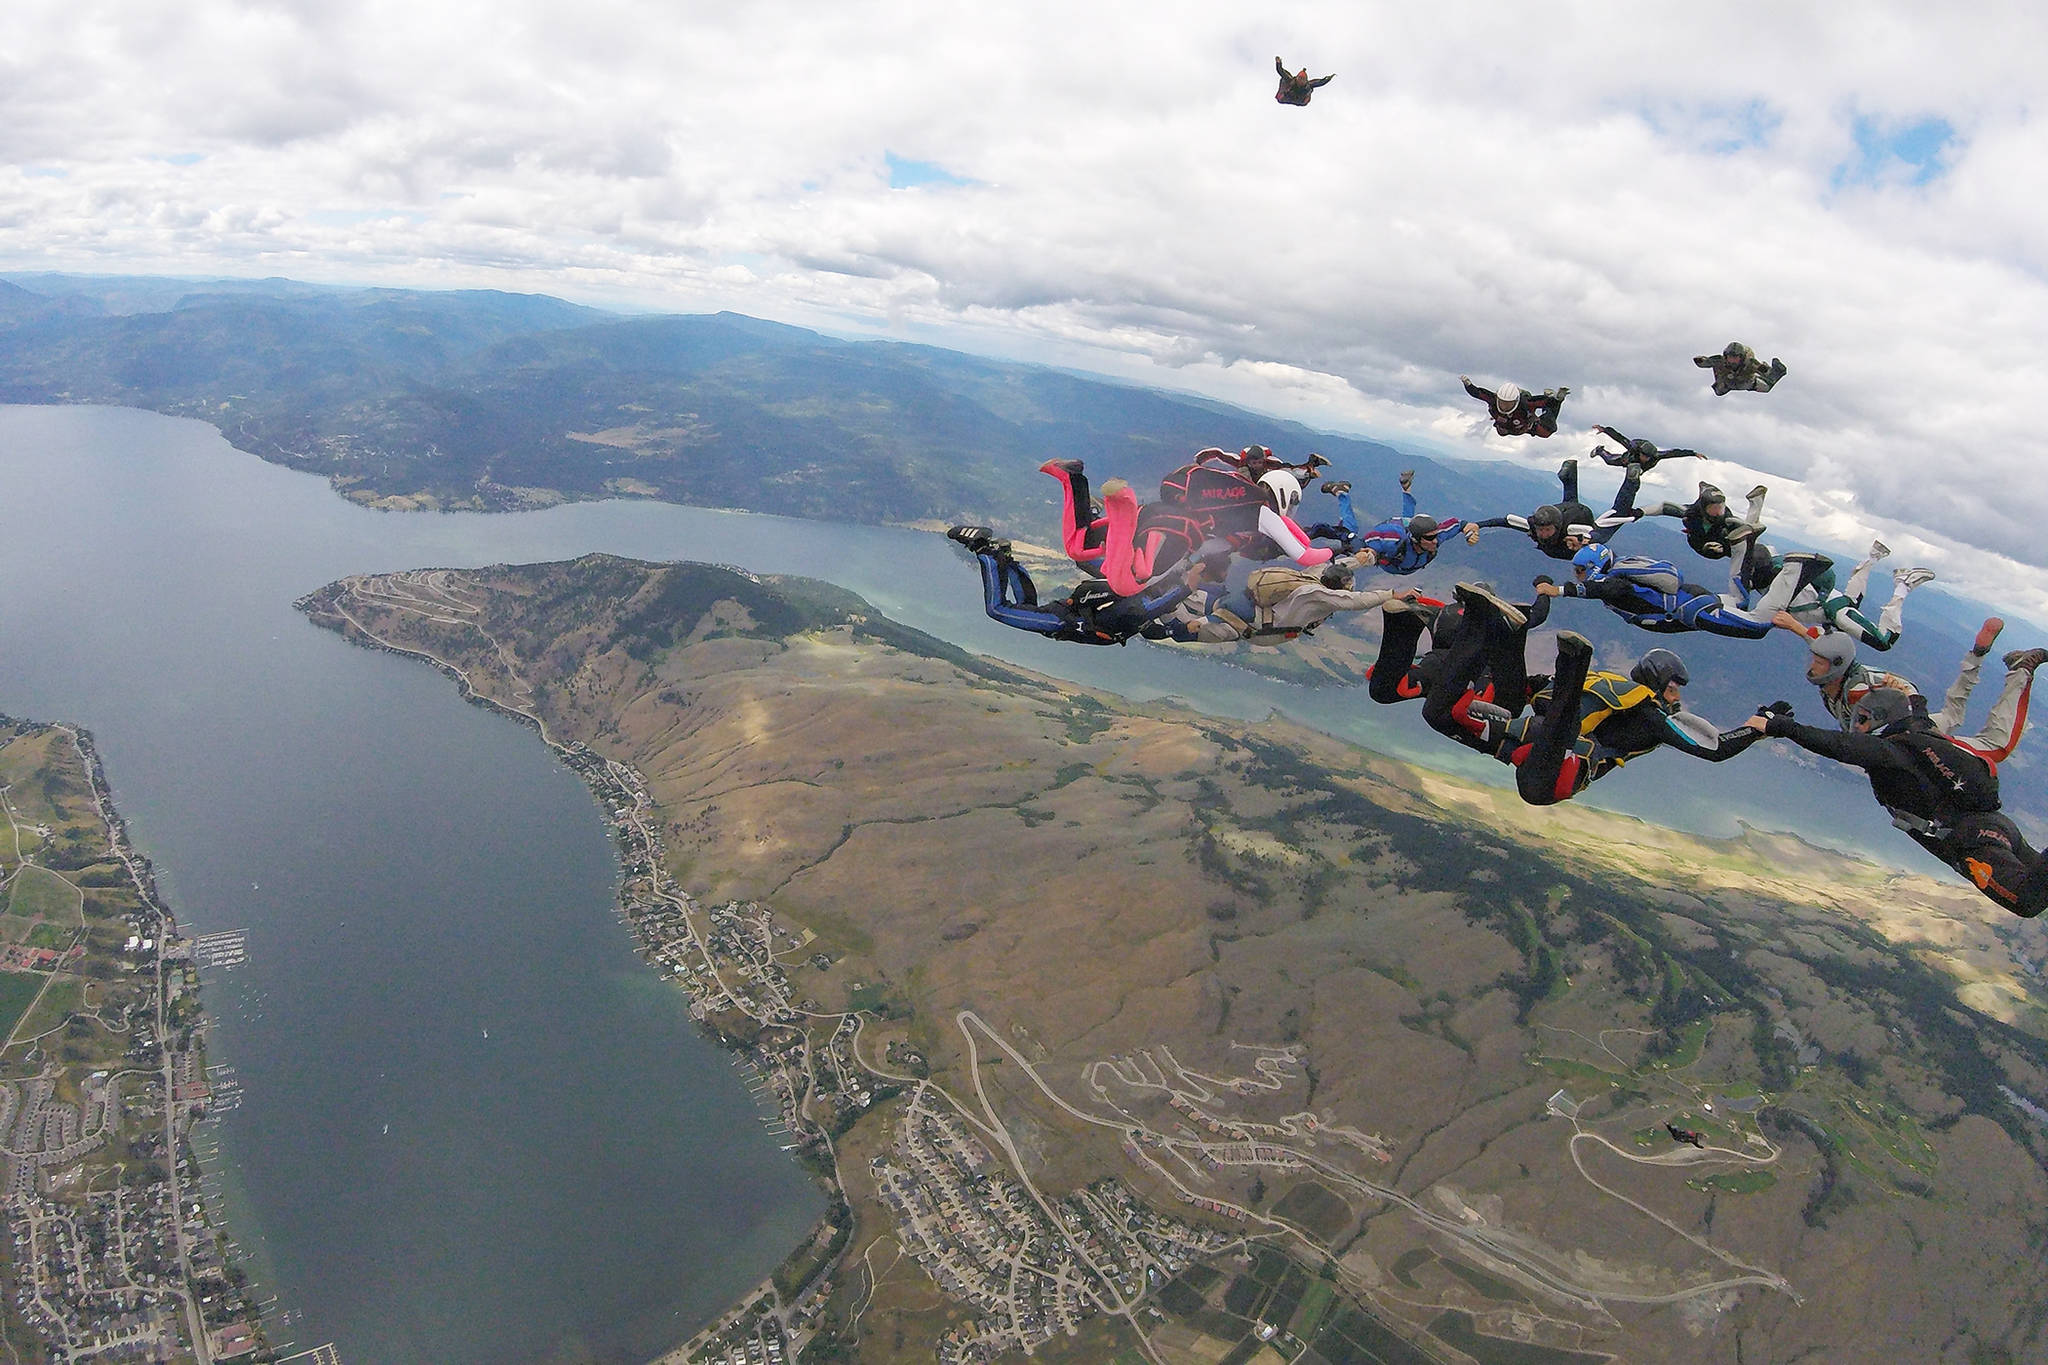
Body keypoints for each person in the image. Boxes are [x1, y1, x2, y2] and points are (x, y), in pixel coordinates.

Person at [1396, 587, 1762, 804]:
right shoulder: (1652, 715)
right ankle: (1571, 659)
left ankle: (1499, 631)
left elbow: (1526, 686)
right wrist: (1759, 727)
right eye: (1673, 686)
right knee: (1554, 739)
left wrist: (1491, 660)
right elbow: (1714, 749)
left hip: (1524, 745)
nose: (1676, 695)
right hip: (1555, 773)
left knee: (1438, 714)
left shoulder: (1602, 684)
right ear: (1659, 682)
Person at [1745, 690, 2048, 917]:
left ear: (1881, 721)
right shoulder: (1919, 733)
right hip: (1997, 826)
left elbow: (1839, 746)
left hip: (1972, 840)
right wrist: (1914, 700)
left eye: (1862, 719)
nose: (1855, 726)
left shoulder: (1890, 751)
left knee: (2025, 900)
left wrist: (1781, 727)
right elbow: (1918, 711)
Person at [1040, 457, 1332, 598]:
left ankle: (1072, 478)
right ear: (1285, 495)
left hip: (1154, 514)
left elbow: (1295, 531)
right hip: (1176, 536)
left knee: (1078, 546)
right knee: (1126, 583)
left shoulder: (1234, 492)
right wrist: (1335, 550)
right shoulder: (1261, 513)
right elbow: (1303, 555)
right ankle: (1121, 503)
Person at [1806, 622, 2042, 763]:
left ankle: (2021, 671)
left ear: (1836, 663)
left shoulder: (1856, 691)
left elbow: (1901, 696)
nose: (1811, 666)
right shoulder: (1834, 684)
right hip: (1909, 725)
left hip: (1913, 737)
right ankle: (1976, 655)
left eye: (1818, 661)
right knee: (1951, 716)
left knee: (1996, 746)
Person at [947, 526, 1203, 645]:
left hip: (1066, 619)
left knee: (1025, 606)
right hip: (1063, 621)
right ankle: (982, 550)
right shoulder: (1139, 605)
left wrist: (1181, 631)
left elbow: (1151, 629)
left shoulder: (1139, 604)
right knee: (997, 610)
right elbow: (1153, 610)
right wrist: (1187, 588)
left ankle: (1004, 558)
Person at [1534, 543, 1821, 640]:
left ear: (1594, 567)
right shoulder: (1621, 573)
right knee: (1740, 604)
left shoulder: (1614, 583)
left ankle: (1793, 569)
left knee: (1757, 627)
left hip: (1689, 609)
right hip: (1690, 602)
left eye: (1581, 570)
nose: (1578, 576)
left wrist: (1559, 590)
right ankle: (1742, 549)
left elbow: (1598, 588)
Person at [1745, 541, 1933, 651]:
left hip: (1832, 610)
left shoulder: (1781, 580)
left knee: (1883, 642)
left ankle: (1904, 585)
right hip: (1828, 606)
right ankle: (1874, 557)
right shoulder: (1780, 571)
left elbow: (1827, 576)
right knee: (1852, 602)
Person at [1175, 560, 1420, 642]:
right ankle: (1164, 619)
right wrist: (1390, 595)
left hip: (1246, 604)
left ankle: (1176, 588)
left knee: (1198, 599)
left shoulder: (1311, 577)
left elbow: (1335, 564)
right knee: (1179, 632)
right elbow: (1355, 600)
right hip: (1259, 630)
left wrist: (1362, 560)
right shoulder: (1319, 596)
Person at [1303, 470, 1479, 572]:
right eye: (1430, 538)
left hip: (1406, 529)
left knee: (1408, 520)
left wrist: (1470, 529)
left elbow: (1458, 524)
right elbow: (1368, 541)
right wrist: (1368, 553)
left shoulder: (1434, 536)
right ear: (1418, 539)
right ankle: (1335, 504)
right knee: (1349, 533)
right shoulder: (1391, 539)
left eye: (1434, 537)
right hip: (1390, 531)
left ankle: (1406, 490)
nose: (1435, 541)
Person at [1472, 458, 1642, 561]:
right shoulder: (1533, 524)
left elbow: (1595, 534)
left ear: (1557, 526)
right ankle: (1569, 474)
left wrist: (1586, 541)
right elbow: (1503, 522)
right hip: (1566, 511)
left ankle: (1631, 481)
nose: (1543, 534)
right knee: (1570, 502)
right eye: (1541, 530)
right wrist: (1477, 525)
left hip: (1581, 518)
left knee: (1618, 514)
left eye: (1547, 530)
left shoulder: (1574, 532)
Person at [1632, 482, 1769, 565]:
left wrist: (1756, 531)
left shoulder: (1727, 520)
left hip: (1722, 545)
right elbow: (1663, 507)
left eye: (1720, 508)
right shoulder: (1691, 512)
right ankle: (1756, 501)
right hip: (1699, 543)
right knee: (1744, 548)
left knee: (1746, 547)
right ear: (1704, 507)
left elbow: (1748, 529)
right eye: (1714, 509)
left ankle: (1756, 501)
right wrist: (1640, 512)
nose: (1718, 512)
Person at [1461, 376, 1569, 438]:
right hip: (1509, 426)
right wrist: (1467, 383)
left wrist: (1557, 399)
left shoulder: (1525, 404)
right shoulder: (1492, 400)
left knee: (1548, 431)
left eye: (1509, 403)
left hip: (1527, 424)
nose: (1505, 406)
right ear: (1498, 398)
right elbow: (1477, 393)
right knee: (1501, 432)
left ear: (1516, 401)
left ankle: (1549, 397)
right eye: (1502, 402)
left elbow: (1544, 402)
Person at [1589, 426, 1702, 474]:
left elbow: (1674, 453)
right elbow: (1619, 437)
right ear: (1640, 452)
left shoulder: (1656, 455)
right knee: (1609, 461)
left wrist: (1693, 453)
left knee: (1637, 474)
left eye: (1647, 457)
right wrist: (1604, 429)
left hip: (1640, 467)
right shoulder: (1634, 448)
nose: (1645, 458)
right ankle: (1600, 450)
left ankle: (1638, 473)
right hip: (1628, 459)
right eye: (1644, 456)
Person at [1694, 342, 1786, 395]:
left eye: (1735, 358)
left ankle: (1779, 370)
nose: (1733, 360)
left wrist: (1773, 371)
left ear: (1741, 357)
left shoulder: (1750, 363)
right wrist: (1700, 360)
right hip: (1726, 383)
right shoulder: (1720, 361)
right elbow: (1706, 362)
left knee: (1766, 388)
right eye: (1730, 357)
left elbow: (1765, 371)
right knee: (1718, 392)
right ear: (1726, 356)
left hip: (1746, 382)